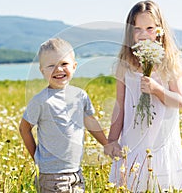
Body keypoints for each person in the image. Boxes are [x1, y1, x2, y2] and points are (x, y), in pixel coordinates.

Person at [105, 0, 182, 192]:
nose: (144, 34)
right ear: (130, 33)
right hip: (133, 142)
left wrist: (156, 89)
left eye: (150, 28)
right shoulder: (125, 64)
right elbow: (120, 105)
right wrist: (112, 140)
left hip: (161, 141)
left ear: (160, 30)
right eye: (137, 29)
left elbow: (179, 101)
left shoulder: (169, 61)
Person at [19, 38, 112, 192]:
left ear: (74, 66)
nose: (59, 69)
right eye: (51, 65)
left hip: (76, 172)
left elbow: (90, 121)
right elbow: (24, 128)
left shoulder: (80, 96)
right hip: (52, 175)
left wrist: (106, 144)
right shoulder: (41, 100)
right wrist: (36, 157)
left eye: (64, 64)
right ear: (42, 70)